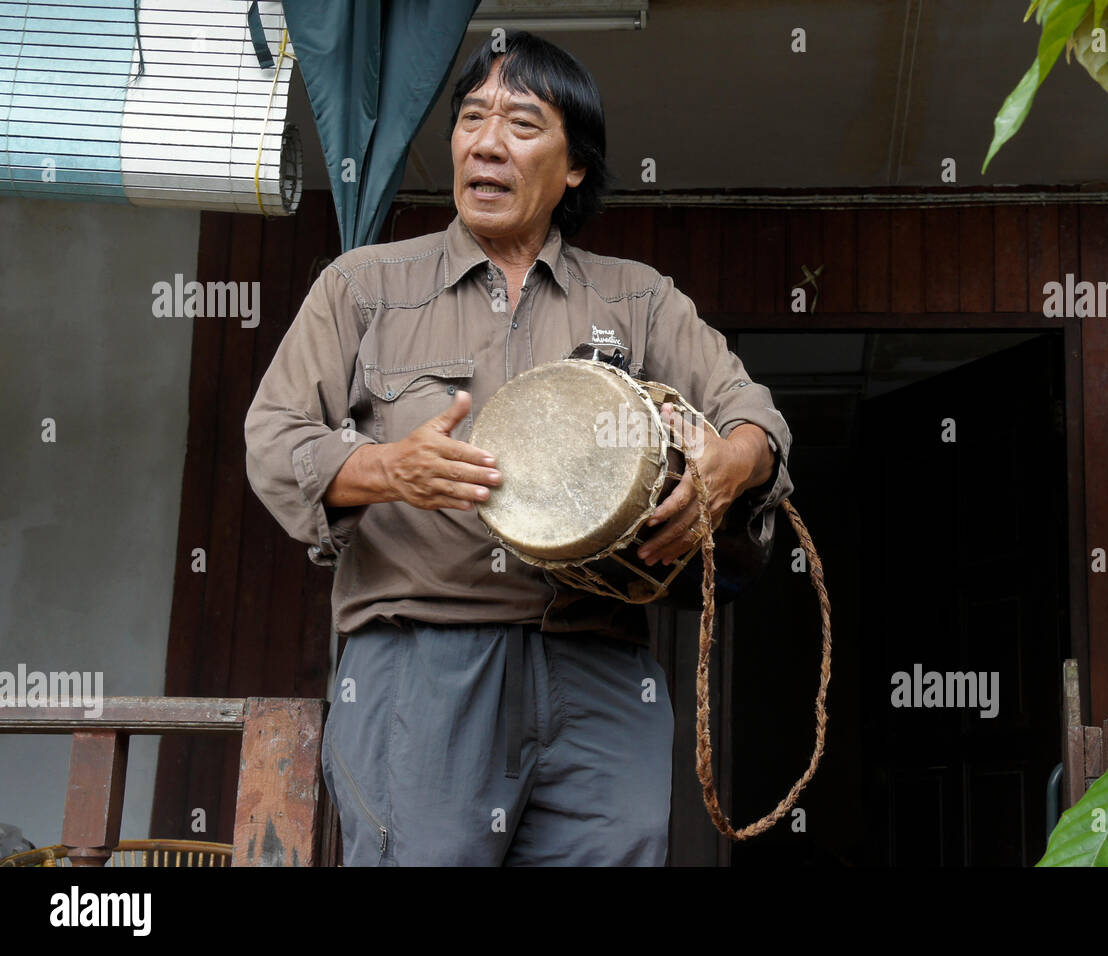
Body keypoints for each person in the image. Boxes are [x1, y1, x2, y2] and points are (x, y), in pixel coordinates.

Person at [244, 30, 793, 866]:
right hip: (423, 664)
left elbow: (752, 414)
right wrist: (387, 468)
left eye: (522, 124)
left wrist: (731, 467)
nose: (487, 142)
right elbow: (274, 438)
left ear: (574, 167)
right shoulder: (362, 286)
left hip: (599, 663)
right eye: (471, 119)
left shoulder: (637, 299)